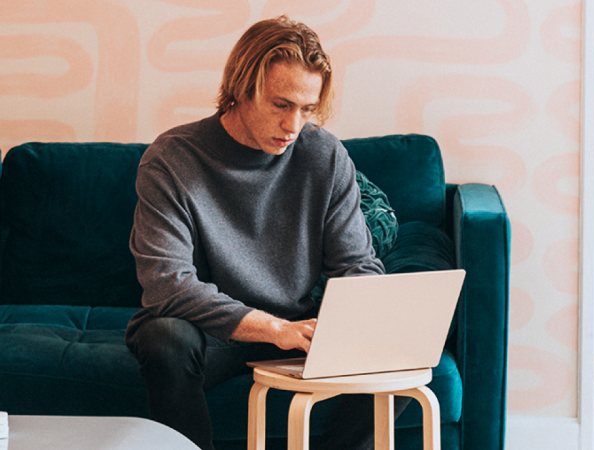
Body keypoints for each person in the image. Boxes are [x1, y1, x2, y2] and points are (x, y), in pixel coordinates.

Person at [125, 15, 408, 450]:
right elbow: (167, 285)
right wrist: (272, 328)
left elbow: (358, 264)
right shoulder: (171, 159)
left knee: (405, 346)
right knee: (162, 336)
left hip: (297, 330)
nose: (294, 126)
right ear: (241, 88)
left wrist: (342, 325)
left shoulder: (324, 155)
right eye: (281, 104)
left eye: (307, 109)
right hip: (213, 332)